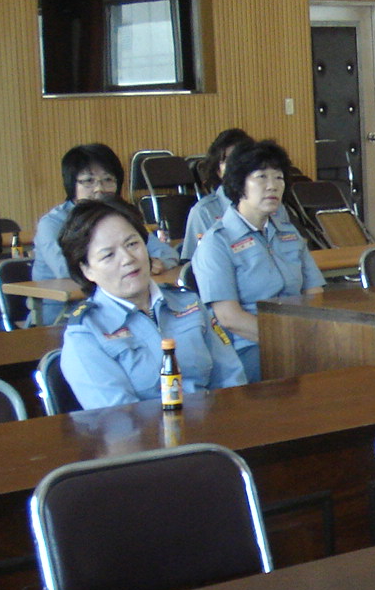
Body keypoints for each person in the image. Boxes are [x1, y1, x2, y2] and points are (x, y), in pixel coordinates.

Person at [58, 196, 245, 407]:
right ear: (86, 270)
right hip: (147, 429)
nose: (128, 258)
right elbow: (117, 417)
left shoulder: (188, 303)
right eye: (109, 255)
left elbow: (231, 379)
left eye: (132, 244)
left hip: (216, 424)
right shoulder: (85, 334)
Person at [190, 138, 323, 381]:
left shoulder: (288, 233)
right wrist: (290, 339)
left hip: (300, 338)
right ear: (239, 184)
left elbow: (314, 293)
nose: (272, 186)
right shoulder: (217, 242)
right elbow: (230, 318)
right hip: (247, 348)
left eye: (279, 177)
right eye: (261, 177)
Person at [31, 143, 179, 324]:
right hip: (63, 315)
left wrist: (157, 263)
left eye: (108, 179)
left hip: (121, 309)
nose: (99, 188)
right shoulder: (52, 223)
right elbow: (66, 269)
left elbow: (167, 253)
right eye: (89, 181)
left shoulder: (120, 216)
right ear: (71, 185)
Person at [179, 127, 252, 259]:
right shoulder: (203, 212)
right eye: (228, 160)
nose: (236, 166)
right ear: (218, 170)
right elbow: (191, 263)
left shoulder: (272, 206)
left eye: (242, 159)